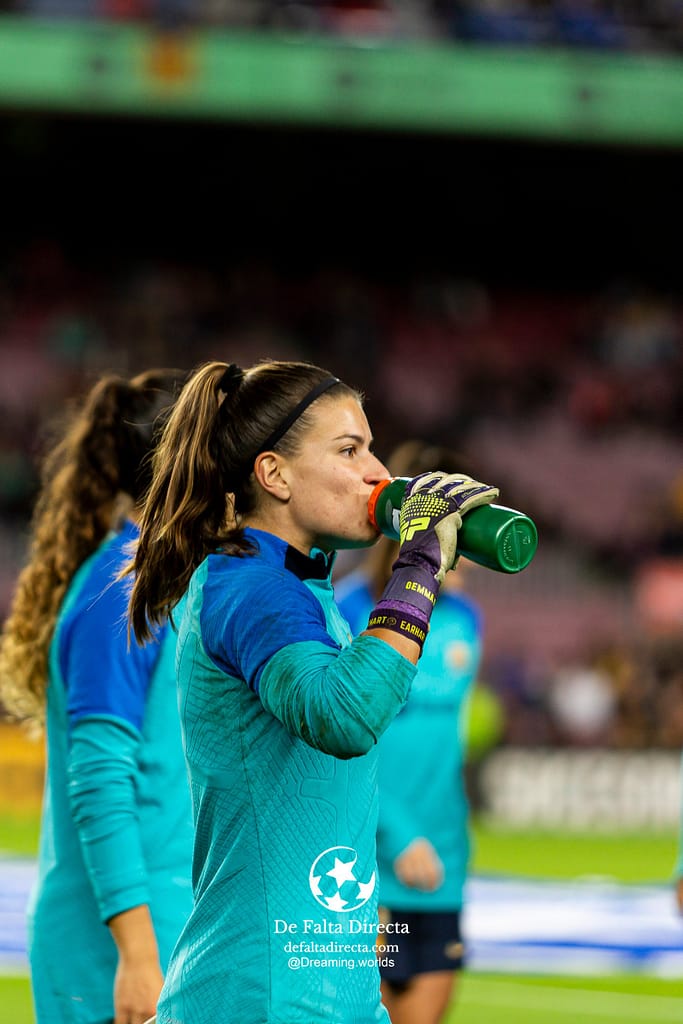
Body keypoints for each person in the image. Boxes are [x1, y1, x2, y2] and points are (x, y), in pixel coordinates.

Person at [126, 359, 499, 1024]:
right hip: (266, 994)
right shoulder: (253, 588)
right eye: (349, 450)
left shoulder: (299, 589)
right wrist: (420, 561)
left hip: (316, 987)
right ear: (274, 475)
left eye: (372, 448)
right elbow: (345, 717)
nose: (377, 472)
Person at [0, 369, 194, 1024]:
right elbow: (100, 780)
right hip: (119, 948)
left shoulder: (165, 579)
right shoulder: (125, 588)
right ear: (190, 463)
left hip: (161, 927)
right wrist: (136, 955)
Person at [336, 441, 484, 1024]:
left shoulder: (467, 619)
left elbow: (451, 738)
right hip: (367, 860)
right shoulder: (350, 609)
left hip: (443, 859)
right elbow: (342, 746)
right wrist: (397, 835)